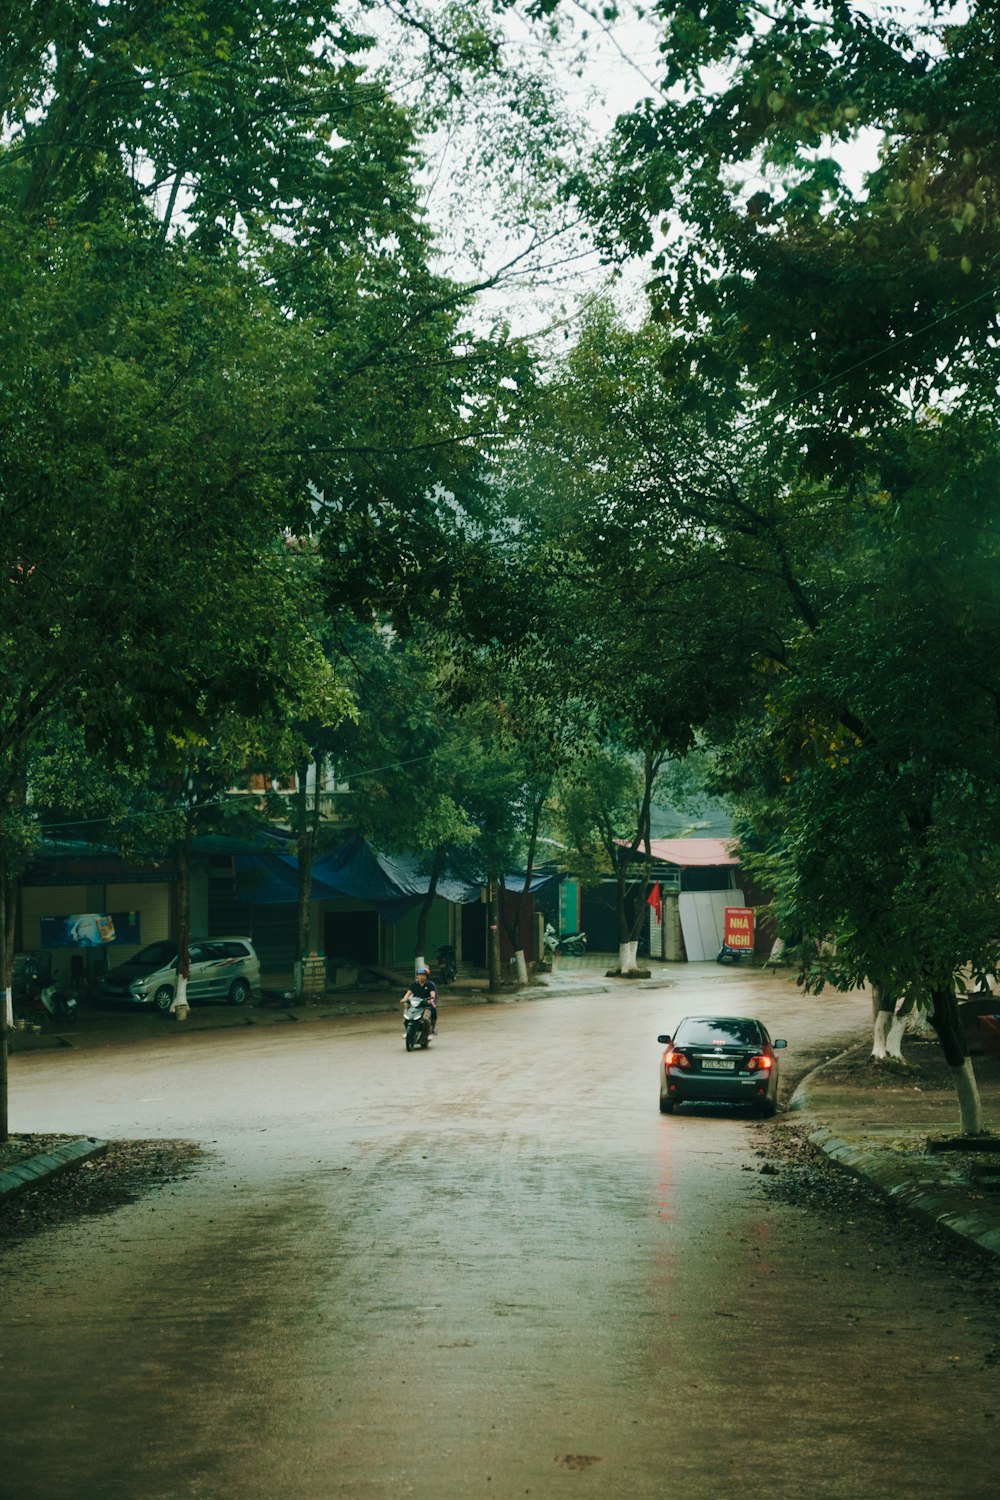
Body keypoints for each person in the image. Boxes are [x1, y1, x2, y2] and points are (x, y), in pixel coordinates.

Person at [401, 963, 439, 1036]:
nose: (421, 977)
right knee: (406, 1019)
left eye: (423, 975)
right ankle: (407, 1032)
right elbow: (408, 993)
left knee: (426, 1018)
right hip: (416, 1005)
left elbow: (433, 995)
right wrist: (404, 999)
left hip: (426, 1005)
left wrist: (431, 1000)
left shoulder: (430, 985)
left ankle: (430, 1032)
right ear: (417, 976)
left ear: (426, 976)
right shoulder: (413, 984)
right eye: (419, 975)